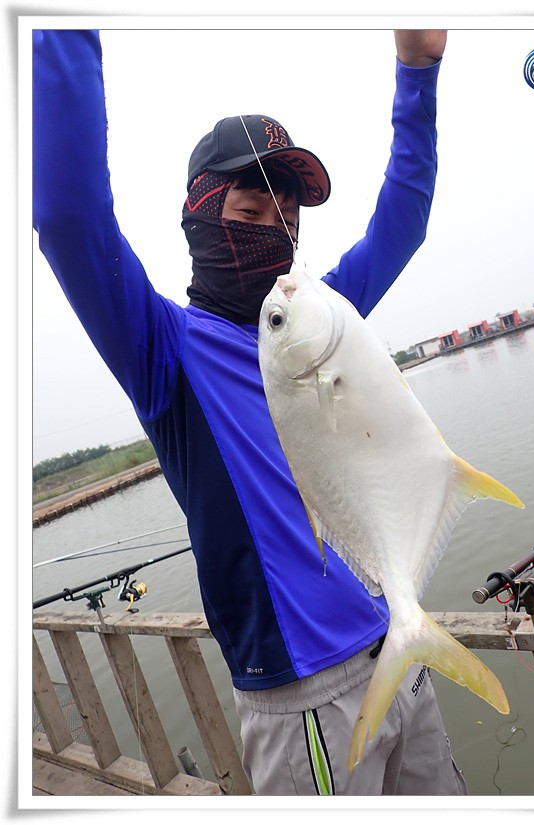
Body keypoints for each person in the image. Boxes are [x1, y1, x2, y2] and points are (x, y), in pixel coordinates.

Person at [33, 28, 467, 796]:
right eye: (251, 205)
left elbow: (403, 220)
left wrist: (418, 70)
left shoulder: (315, 324)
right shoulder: (164, 349)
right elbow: (70, 216)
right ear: (203, 212)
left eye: (289, 213)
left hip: (400, 654)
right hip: (306, 700)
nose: (277, 227)